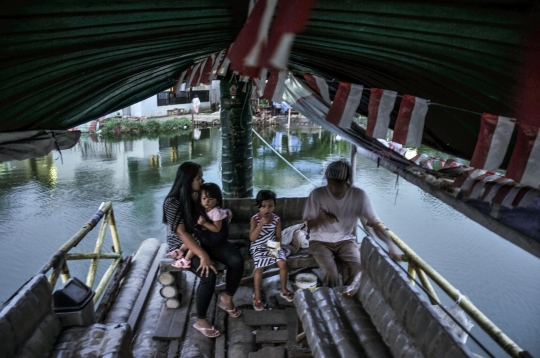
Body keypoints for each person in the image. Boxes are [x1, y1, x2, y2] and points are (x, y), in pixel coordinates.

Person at [163, 162, 244, 338]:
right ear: (188, 179)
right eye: (199, 177)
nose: (202, 180)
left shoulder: (197, 195)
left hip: (204, 237)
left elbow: (213, 207)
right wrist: (202, 255)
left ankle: (227, 299)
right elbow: (181, 232)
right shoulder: (172, 202)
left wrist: (226, 211)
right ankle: (200, 319)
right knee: (208, 274)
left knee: (237, 260)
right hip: (184, 246)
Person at [303, 159, 401, 288]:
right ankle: (333, 298)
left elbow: (375, 223)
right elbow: (308, 226)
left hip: (346, 240)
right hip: (319, 241)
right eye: (331, 184)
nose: (334, 189)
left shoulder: (358, 195)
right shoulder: (317, 194)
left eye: (338, 185)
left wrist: (390, 245)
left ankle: (350, 292)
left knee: (359, 266)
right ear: (327, 180)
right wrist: (321, 218)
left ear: (346, 181)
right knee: (330, 271)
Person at [249, 190, 294, 310]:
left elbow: (278, 236)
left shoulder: (276, 219)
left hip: (272, 244)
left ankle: (283, 289)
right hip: (258, 245)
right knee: (259, 269)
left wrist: (274, 250)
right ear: (258, 206)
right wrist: (262, 223)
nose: (267, 209)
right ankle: (257, 294)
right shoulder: (255, 219)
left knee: (283, 263)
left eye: (270, 206)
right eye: (263, 206)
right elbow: (252, 238)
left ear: (274, 206)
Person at [168, 182, 229, 269]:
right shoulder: (204, 209)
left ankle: (186, 260)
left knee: (196, 240)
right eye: (204, 198)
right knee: (193, 237)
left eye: (210, 199)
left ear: (217, 201)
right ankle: (180, 251)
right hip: (208, 235)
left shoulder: (217, 212)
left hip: (215, 238)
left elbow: (216, 229)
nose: (206, 201)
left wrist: (205, 223)